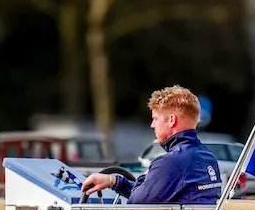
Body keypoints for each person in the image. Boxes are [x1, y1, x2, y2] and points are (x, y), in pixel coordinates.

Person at [80, 86, 223, 204]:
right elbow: (153, 195)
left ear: (171, 120)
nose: (152, 125)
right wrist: (114, 181)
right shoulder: (208, 158)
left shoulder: (170, 163)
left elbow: (136, 204)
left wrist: (146, 173)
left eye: (155, 118)